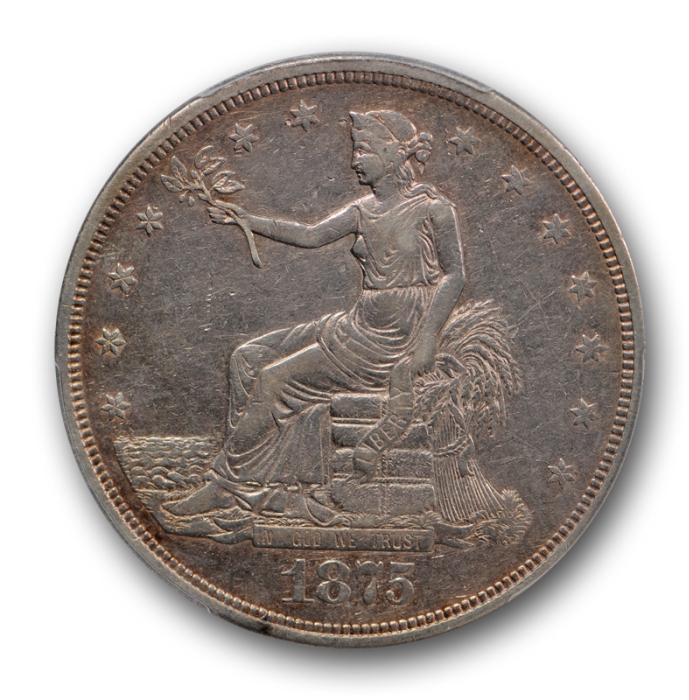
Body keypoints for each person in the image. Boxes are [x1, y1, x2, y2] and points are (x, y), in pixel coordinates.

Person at [166, 110, 466, 520]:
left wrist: (428, 340)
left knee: (273, 379)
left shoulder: (433, 209)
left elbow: (455, 275)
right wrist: (248, 221)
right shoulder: (363, 210)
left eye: (363, 150)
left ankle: (226, 486)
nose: (354, 160)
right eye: (356, 150)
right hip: (357, 324)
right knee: (247, 358)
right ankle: (267, 487)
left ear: (394, 154)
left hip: (392, 336)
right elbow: (310, 235)